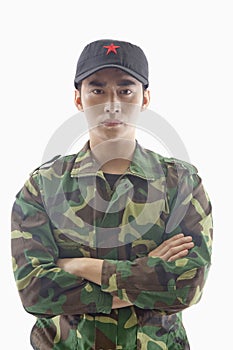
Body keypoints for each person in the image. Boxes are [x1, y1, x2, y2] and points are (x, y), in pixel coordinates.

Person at [11, 39, 213, 350]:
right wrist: (146, 272)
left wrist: (82, 266)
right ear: (78, 99)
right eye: (97, 89)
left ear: (145, 98)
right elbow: (36, 291)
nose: (112, 103)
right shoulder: (43, 186)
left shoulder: (180, 183)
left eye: (125, 89)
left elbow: (187, 286)